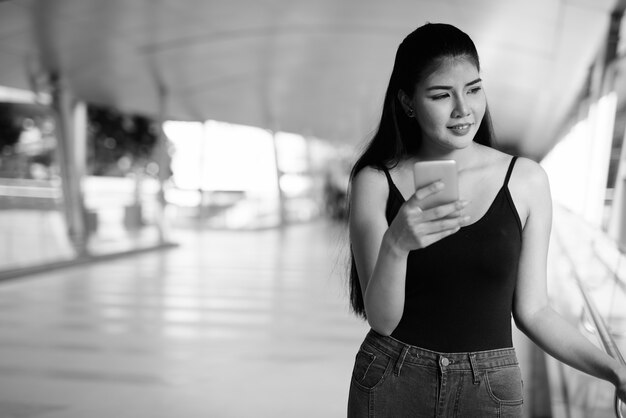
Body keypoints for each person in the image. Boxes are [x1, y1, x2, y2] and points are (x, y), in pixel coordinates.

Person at [346, 22, 626, 417]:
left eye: (474, 89)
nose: (463, 109)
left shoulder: (525, 180)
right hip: (393, 376)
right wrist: (397, 244)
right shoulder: (376, 181)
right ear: (407, 102)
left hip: (489, 388)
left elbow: (534, 311)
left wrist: (616, 371)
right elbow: (383, 321)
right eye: (442, 95)